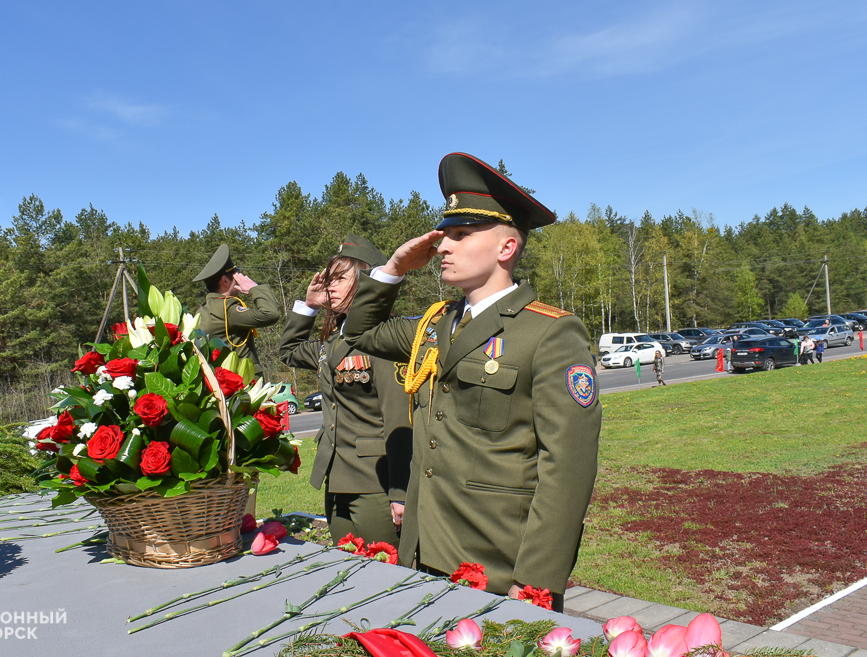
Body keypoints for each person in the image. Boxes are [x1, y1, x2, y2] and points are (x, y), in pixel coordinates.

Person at [343, 152, 601, 612]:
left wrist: (537, 580)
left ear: (506, 248)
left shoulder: (548, 332)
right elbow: (358, 332)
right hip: (425, 551)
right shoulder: (435, 325)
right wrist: (393, 269)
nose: (443, 246)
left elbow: (568, 467)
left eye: (461, 235)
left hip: (499, 564)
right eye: (444, 235)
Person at [278, 235, 412, 548]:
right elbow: (289, 351)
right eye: (328, 279)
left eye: (340, 278)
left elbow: (399, 419)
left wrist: (401, 494)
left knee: (384, 572)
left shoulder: (384, 339)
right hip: (336, 478)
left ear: (367, 282)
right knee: (346, 568)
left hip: (374, 483)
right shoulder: (332, 343)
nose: (331, 286)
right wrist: (309, 306)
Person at [192, 244, 281, 379]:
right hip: (242, 384)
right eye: (236, 275)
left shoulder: (202, 310)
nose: (240, 278)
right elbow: (270, 314)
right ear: (225, 280)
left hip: (219, 382)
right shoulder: (228, 309)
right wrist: (255, 289)